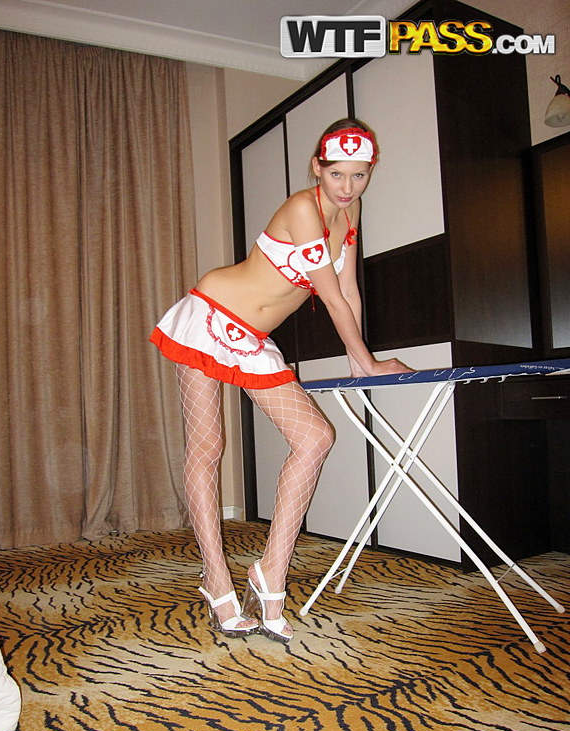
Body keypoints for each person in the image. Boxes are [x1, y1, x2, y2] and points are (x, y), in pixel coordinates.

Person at [150, 118, 411, 644]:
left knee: (314, 438)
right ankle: (216, 579)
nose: (347, 186)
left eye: (359, 175)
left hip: (253, 338)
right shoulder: (301, 208)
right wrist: (366, 362)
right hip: (211, 316)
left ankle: (270, 572)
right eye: (336, 174)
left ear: (370, 173)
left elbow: (349, 288)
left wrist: (361, 360)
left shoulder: (351, 211)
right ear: (317, 167)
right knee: (207, 445)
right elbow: (329, 297)